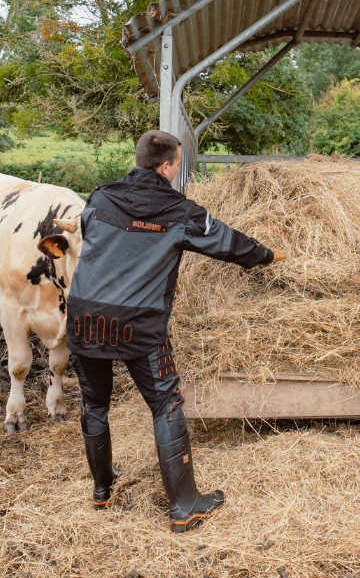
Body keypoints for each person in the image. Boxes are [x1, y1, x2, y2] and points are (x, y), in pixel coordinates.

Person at [67, 130, 280, 532]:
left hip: (84, 318)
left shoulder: (99, 197)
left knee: (95, 403)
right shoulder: (179, 211)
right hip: (138, 325)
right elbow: (229, 243)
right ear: (166, 166)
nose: (176, 171)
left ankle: (102, 491)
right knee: (165, 403)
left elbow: (92, 234)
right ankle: (185, 506)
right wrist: (266, 255)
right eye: (177, 165)